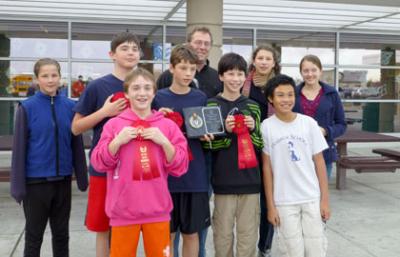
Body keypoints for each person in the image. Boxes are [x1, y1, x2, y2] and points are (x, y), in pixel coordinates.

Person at [90, 68, 189, 257]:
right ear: (127, 93)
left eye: (146, 88)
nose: (142, 93)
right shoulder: (114, 125)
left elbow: (181, 166)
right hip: (123, 211)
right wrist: (117, 142)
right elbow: (98, 162)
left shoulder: (167, 126)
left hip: (157, 210)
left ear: (154, 92)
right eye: (136, 88)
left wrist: (164, 142)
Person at [71, 32, 140, 257]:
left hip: (136, 168)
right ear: (112, 54)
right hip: (105, 168)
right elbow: (76, 127)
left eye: (134, 49)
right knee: (102, 226)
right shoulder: (97, 86)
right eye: (124, 48)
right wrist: (105, 112)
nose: (131, 52)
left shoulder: (144, 85)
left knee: (129, 224)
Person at [10, 58, 88, 257]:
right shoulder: (26, 108)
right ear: (37, 79)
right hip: (36, 183)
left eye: (54, 75)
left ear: (60, 77)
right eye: (45, 76)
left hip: (62, 181)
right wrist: (18, 186)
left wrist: (81, 177)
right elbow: (19, 149)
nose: (50, 80)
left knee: (62, 235)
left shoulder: (71, 106)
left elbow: (76, 144)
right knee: (34, 236)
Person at [157, 26, 221, 257]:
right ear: (172, 68)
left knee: (192, 233)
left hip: (195, 175)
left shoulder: (200, 97)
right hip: (167, 176)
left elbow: (206, 130)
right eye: (182, 68)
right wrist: (157, 119)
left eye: (192, 69)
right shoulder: (159, 98)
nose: (187, 73)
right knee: (167, 232)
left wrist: (208, 135)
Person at [261, 74, 330, 257]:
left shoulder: (308, 124)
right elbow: (267, 168)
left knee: (316, 249)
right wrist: (271, 206)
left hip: (311, 197)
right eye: (280, 95)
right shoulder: (266, 127)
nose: (286, 99)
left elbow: (320, 162)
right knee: (291, 250)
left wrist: (324, 200)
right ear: (271, 99)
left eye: (290, 94)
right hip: (283, 201)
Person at [243, 44, 281, 257]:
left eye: (268, 58)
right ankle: (247, 243)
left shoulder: (280, 84)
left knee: (269, 200)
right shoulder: (244, 84)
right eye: (260, 58)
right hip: (246, 148)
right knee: (249, 200)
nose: (264, 62)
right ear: (254, 60)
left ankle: (264, 246)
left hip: (272, 149)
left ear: (274, 62)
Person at [293, 55, 346, 179]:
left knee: (321, 193)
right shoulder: (293, 94)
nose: (310, 74)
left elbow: (341, 124)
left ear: (320, 71)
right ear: (301, 72)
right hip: (297, 152)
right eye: (306, 71)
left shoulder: (332, 94)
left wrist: (326, 131)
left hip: (324, 152)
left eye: (314, 70)